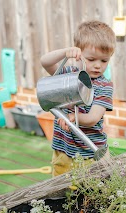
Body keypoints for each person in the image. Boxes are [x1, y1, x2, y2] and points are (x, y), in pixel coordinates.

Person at [40, 20, 116, 176]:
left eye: (104, 60)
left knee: (91, 191)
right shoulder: (68, 74)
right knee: (61, 191)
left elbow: (93, 118)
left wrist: (72, 117)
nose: (98, 66)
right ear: (79, 55)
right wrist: (65, 52)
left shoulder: (104, 86)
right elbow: (45, 62)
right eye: (91, 59)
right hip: (64, 150)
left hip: (90, 153)